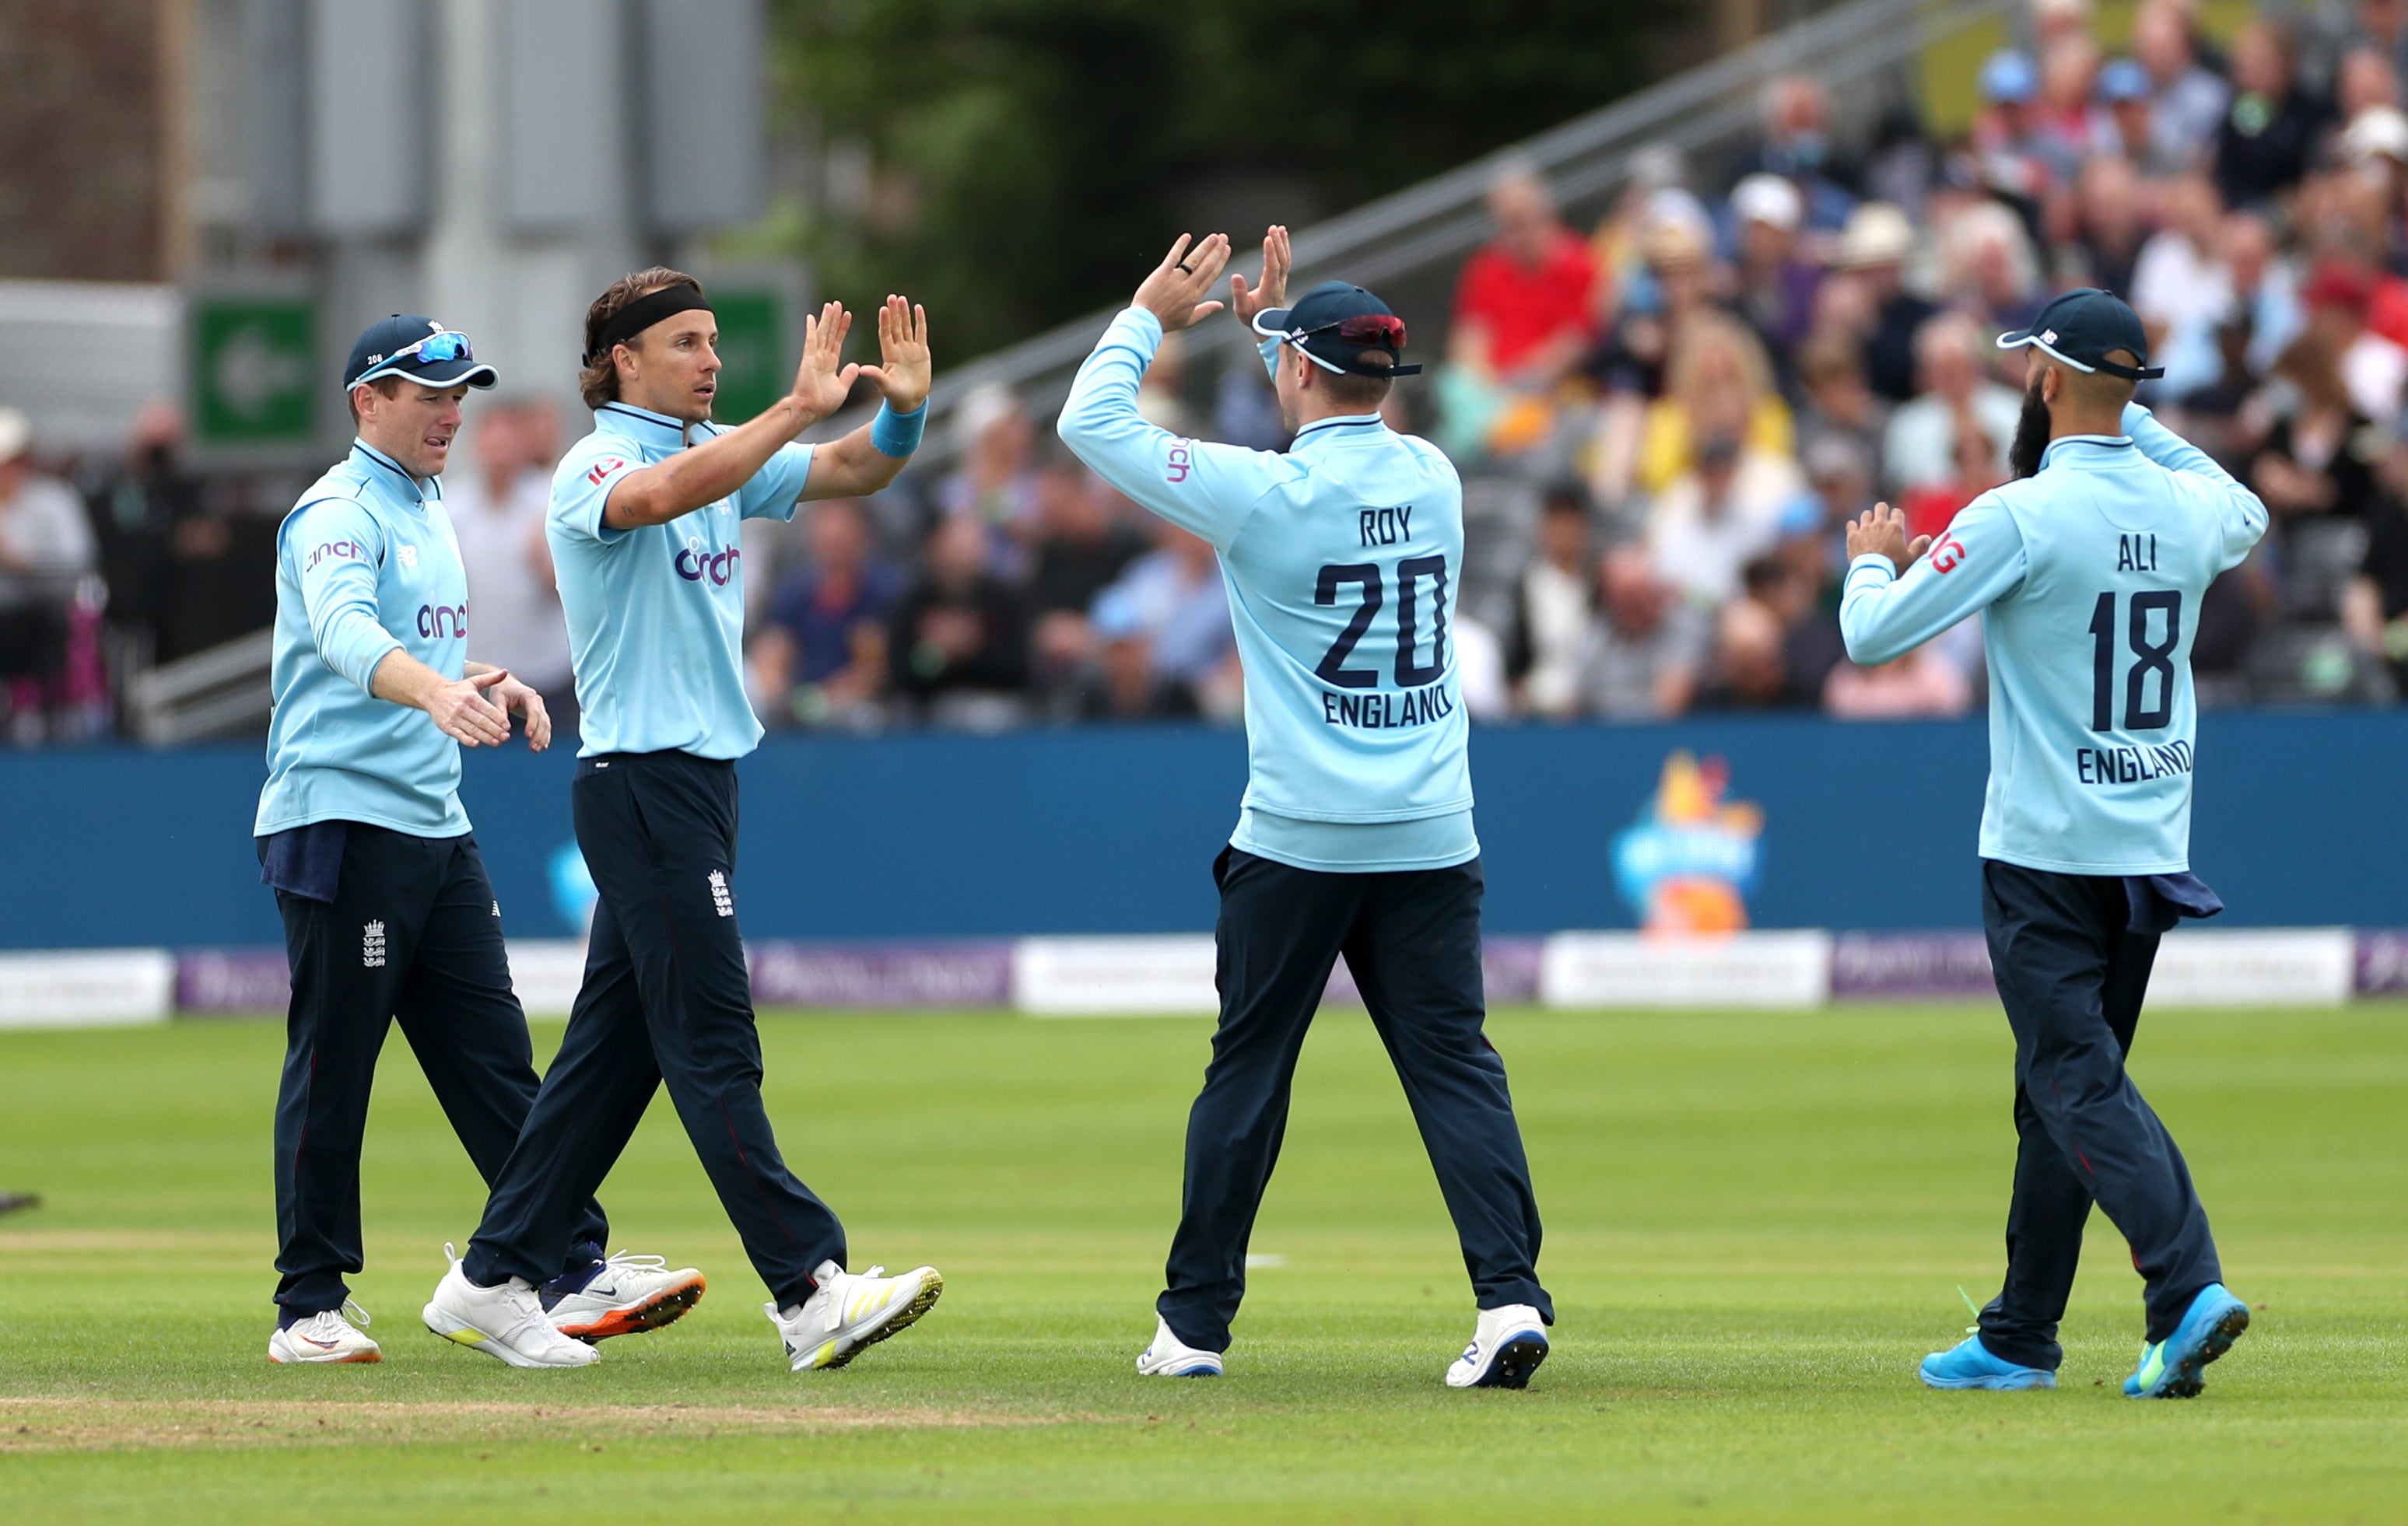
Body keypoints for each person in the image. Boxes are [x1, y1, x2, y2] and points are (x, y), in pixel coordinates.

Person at [1060, 227, 1555, 1389]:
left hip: (1297, 834)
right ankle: (1509, 1297)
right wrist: (1276, 339)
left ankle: (1192, 1328)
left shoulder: (1262, 494)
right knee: (1452, 1066)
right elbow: (1332, 406)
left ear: (1292, 372)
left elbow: (1091, 421)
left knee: (1249, 1070)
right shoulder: (1433, 476)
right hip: (1431, 830)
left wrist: (1150, 314)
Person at [422, 272, 944, 1373]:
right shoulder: (595, 467)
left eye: (712, 341)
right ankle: (810, 1291)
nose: (710, 360)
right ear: (620, 362)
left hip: (699, 784)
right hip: (640, 783)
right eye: (684, 343)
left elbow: (860, 467)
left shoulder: (722, 464)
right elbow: (657, 497)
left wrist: (899, 404)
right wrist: (795, 409)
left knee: (612, 1056)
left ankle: (490, 1274)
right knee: (712, 1040)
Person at [1838, 289, 2263, 1398]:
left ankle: (2184, 1286)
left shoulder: (2015, 512)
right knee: (2059, 1090)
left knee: (2074, 1081)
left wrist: (1871, 557)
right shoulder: (2181, 509)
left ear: (2042, 377)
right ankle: (2020, 1329)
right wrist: (2133, 416)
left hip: (2042, 854)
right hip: (2147, 845)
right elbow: (2246, 507)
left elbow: (1867, 638)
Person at [254, 317, 693, 1366]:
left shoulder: (422, 504)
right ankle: (307, 1304)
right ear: (367, 400)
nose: (451, 412)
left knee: (497, 1063)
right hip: (341, 820)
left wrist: (484, 678)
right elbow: (345, 628)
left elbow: (416, 645)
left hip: (432, 822)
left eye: (460, 394)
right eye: (426, 392)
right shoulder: (337, 509)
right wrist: (440, 688)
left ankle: (563, 1264)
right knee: (334, 1064)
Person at [447, 398, 577, 734]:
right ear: (477, 442)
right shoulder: (451, 506)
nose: (501, 450)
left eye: (509, 439)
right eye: (492, 438)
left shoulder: (553, 501)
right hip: (483, 677)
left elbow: (582, 591)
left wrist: (548, 566)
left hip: (551, 675)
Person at [748, 497, 900, 728]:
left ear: (863, 535)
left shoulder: (883, 594)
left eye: (844, 529)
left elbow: (871, 675)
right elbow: (770, 662)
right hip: (797, 712)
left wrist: (818, 702)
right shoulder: (793, 595)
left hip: (859, 716)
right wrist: (788, 700)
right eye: (827, 531)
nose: (834, 536)